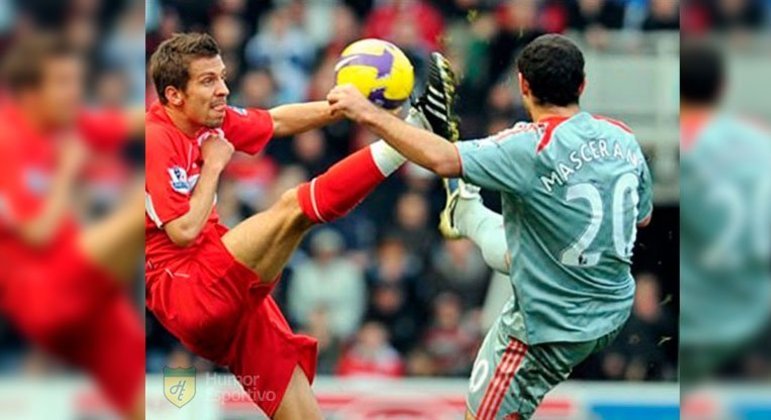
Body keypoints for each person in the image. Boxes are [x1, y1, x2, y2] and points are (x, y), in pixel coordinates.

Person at [329, 34, 653, 420]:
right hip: (613, 310)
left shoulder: (527, 147)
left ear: (523, 86)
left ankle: (466, 212)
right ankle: (467, 213)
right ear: (582, 84)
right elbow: (643, 216)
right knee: (535, 237)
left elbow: (444, 160)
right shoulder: (623, 137)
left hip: (548, 327)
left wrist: (367, 113)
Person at [144, 33, 457, 419]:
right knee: (295, 207)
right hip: (188, 288)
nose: (224, 89)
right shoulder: (154, 140)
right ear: (175, 95)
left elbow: (275, 120)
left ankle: (410, 128)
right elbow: (183, 232)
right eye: (208, 81)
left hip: (230, 295)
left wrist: (346, 108)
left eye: (222, 76)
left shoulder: (210, 119)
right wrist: (214, 166)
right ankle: (415, 126)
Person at [0, 35, 145, 418]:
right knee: (142, 208)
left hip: (92, 297)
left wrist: (190, 110)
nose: (74, 92)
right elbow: (37, 235)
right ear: (30, 92)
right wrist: (66, 172)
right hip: (45, 289)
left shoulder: (65, 122)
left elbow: (125, 123)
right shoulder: (6, 139)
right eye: (63, 82)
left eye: (77, 81)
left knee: (142, 407)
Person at [679, 40, 771, 388]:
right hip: (758, 318)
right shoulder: (760, 140)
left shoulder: (685, 142)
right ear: (722, 88)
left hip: (702, 325)